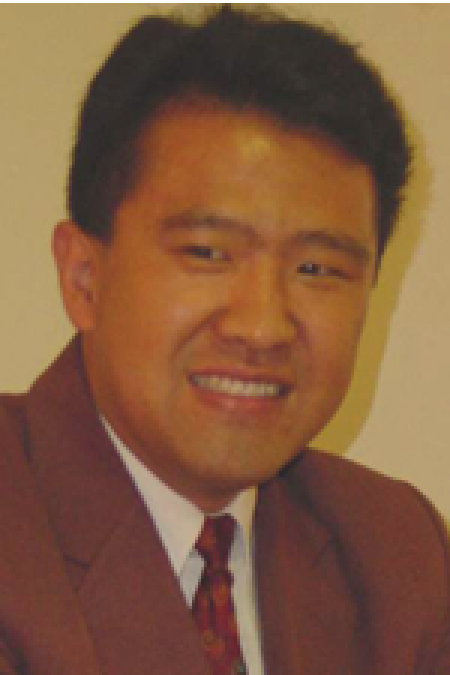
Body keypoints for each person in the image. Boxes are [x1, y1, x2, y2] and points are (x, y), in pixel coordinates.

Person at [0, 6, 449, 675]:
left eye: (317, 269)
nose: (262, 326)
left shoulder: (394, 548)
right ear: (83, 278)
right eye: (208, 253)